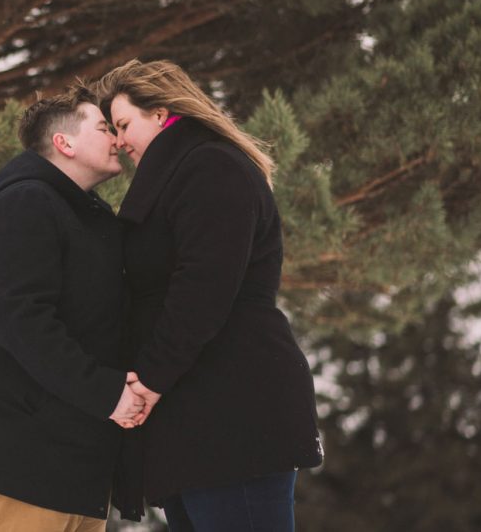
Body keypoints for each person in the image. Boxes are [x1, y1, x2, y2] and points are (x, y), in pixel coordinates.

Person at [98, 60, 323, 531]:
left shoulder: (211, 165)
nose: (118, 140)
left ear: (161, 113)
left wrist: (148, 383)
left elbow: (204, 286)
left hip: (235, 414)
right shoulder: (181, 173)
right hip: (196, 415)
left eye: (124, 124)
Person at [0, 86, 145, 531]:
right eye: (105, 127)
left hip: (71, 460)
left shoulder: (86, 215)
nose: (117, 140)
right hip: (16, 457)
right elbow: (21, 320)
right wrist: (108, 393)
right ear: (63, 143)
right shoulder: (23, 202)